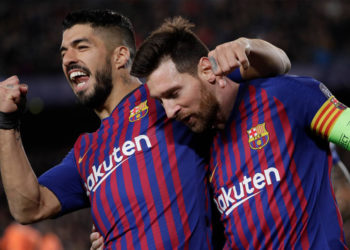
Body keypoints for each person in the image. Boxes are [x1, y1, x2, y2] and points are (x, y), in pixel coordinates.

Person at [0, 10, 290, 249]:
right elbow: (29, 206)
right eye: (63, 51)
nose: (67, 59)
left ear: (120, 56)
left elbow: (279, 65)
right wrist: (7, 123)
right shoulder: (85, 151)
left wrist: (247, 45)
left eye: (81, 46)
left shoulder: (168, 97)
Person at [130, 16, 350, 249]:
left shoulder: (286, 97)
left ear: (206, 70)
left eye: (173, 93)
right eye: (161, 101)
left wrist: (251, 46)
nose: (170, 111)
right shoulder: (199, 148)